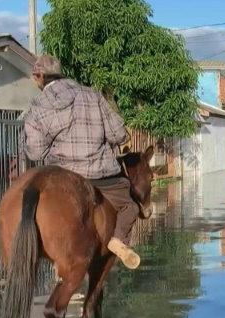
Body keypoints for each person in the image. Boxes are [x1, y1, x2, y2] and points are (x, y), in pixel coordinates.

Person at [22, 55, 142, 270]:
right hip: (101, 175)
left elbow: (36, 152)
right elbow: (118, 134)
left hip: (62, 177)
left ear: (39, 77)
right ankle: (117, 240)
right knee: (129, 205)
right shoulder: (91, 95)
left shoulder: (37, 106)